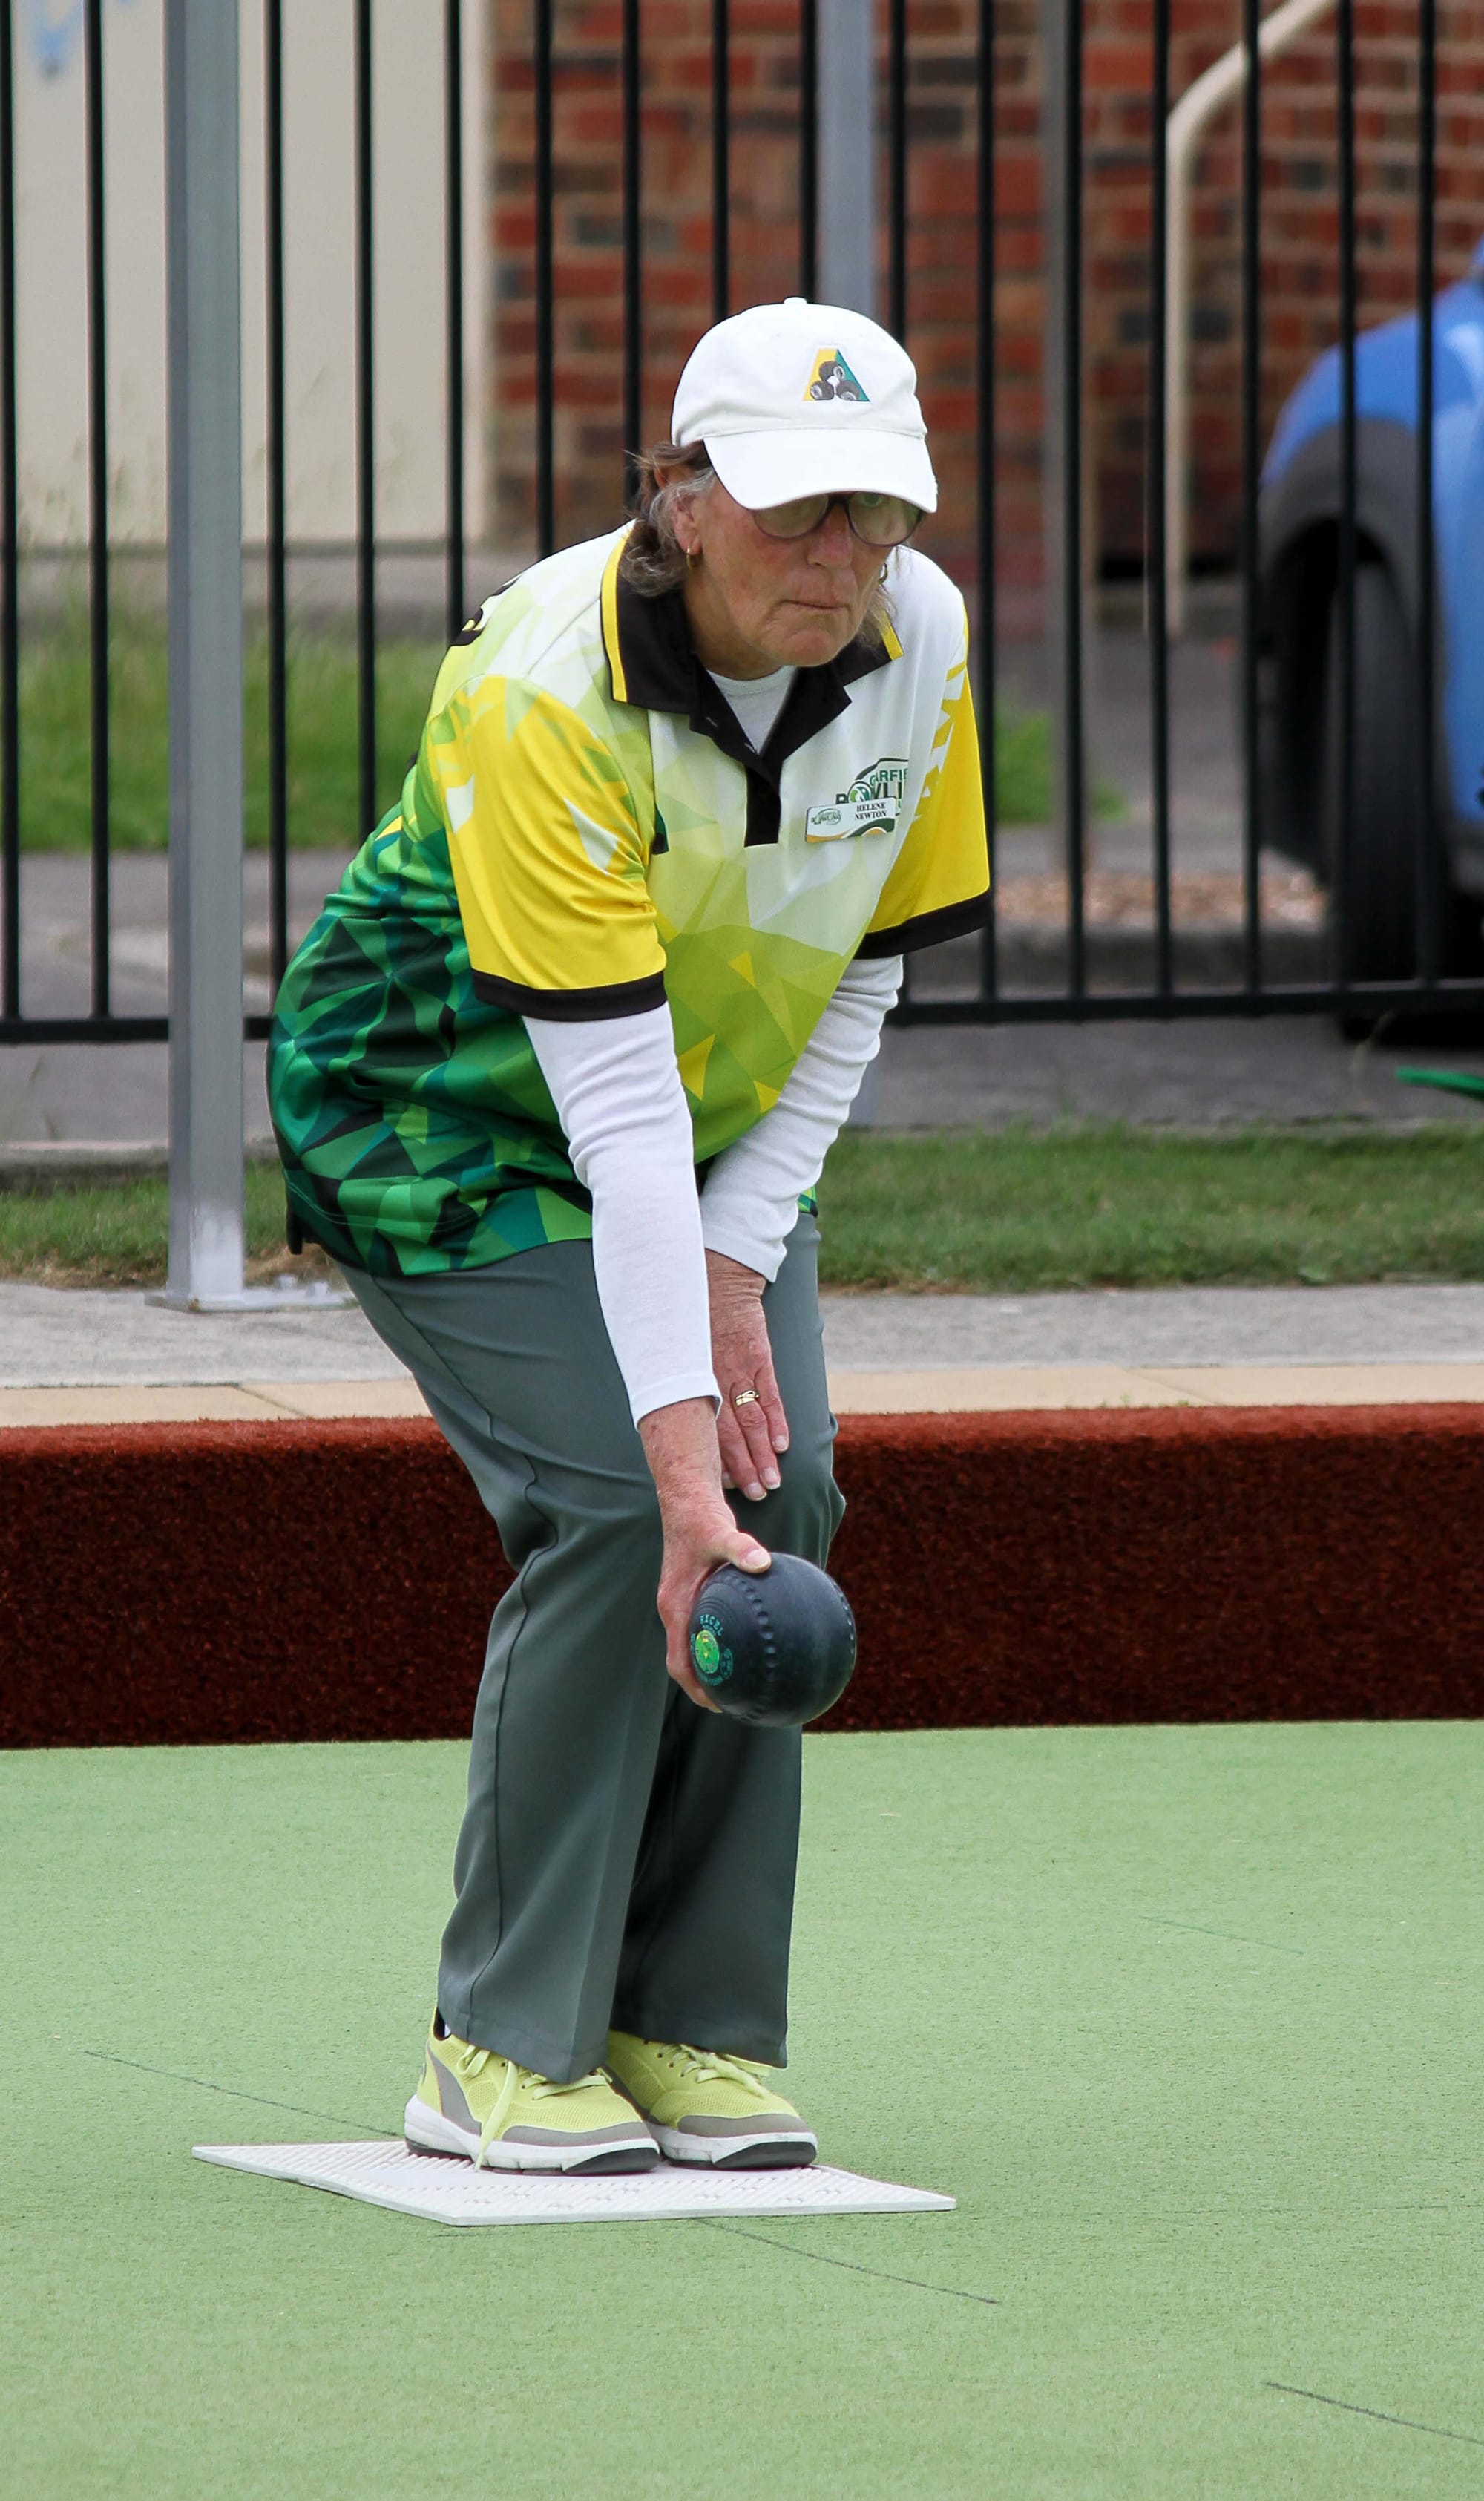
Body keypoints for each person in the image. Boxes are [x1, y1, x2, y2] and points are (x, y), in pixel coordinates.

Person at [269, 296, 989, 2175]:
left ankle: (690, 2020)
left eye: (876, 513)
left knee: (791, 1489)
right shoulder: (541, 684)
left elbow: (855, 988)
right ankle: (500, 2040)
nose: (840, 559)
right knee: (620, 1496)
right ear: (675, 499)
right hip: (440, 1111)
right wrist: (678, 1466)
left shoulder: (924, 644)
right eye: (793, 510)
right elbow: (609, 1111)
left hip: (714, 1128)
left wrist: (741, 1264)